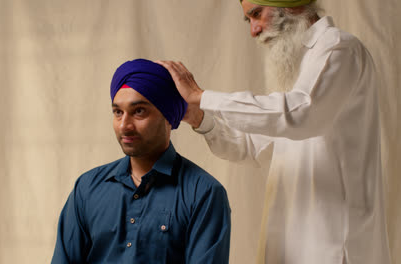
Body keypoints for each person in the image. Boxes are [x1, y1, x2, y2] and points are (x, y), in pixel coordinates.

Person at [156, 0, 391, 263]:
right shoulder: (299, 71)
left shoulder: (339, 49)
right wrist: (200, 118)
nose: (253, 31)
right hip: (291, 243)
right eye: (249, 20)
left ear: (289, 5)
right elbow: (250, 146)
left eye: (257, 15)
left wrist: (203, 97)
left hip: (336, 246)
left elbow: (303, 114)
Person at [51, 59, 231, 264]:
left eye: (139, 111)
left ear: (168, 116)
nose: (125, 125)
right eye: (118, 112)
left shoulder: (203, 193)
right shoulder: (87, 188)